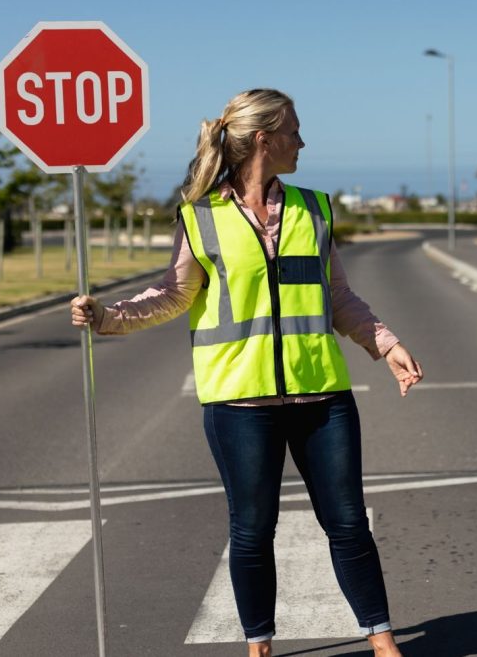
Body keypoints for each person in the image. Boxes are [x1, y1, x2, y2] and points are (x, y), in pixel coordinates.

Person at [70, 88, 420, 656]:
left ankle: (384, 644)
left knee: (350, 523)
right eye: (295, 132)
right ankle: (259, 647)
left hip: (322, 397)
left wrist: (386, 343)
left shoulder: (316, 208)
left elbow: (338, 297)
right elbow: (172, 295)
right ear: (265, 139)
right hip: (238, 403)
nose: (302, 142)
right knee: (254, 532)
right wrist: (107, 317)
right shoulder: (201, 217)